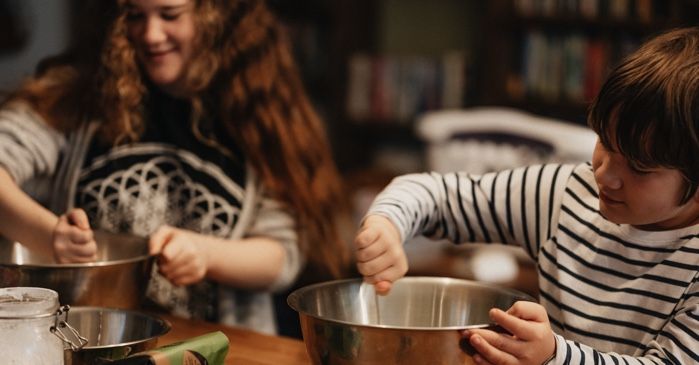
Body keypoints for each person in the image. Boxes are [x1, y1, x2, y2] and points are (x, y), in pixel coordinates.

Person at [0, 0, 349, 334]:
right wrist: (50, 236)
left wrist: (206, 254)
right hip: (83, 339)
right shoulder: (77, 96)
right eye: (135, 15)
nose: (150, 34)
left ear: (216, 15)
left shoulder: (258, 112)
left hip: (217, 347)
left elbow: (282, 257)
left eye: (170, 14)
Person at [355, 27, 699, 364]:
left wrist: (555, 356)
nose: (604, 174)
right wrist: (388, 224)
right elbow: (436, 195)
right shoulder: (566, 195)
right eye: (604, 143)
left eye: (638, 167)